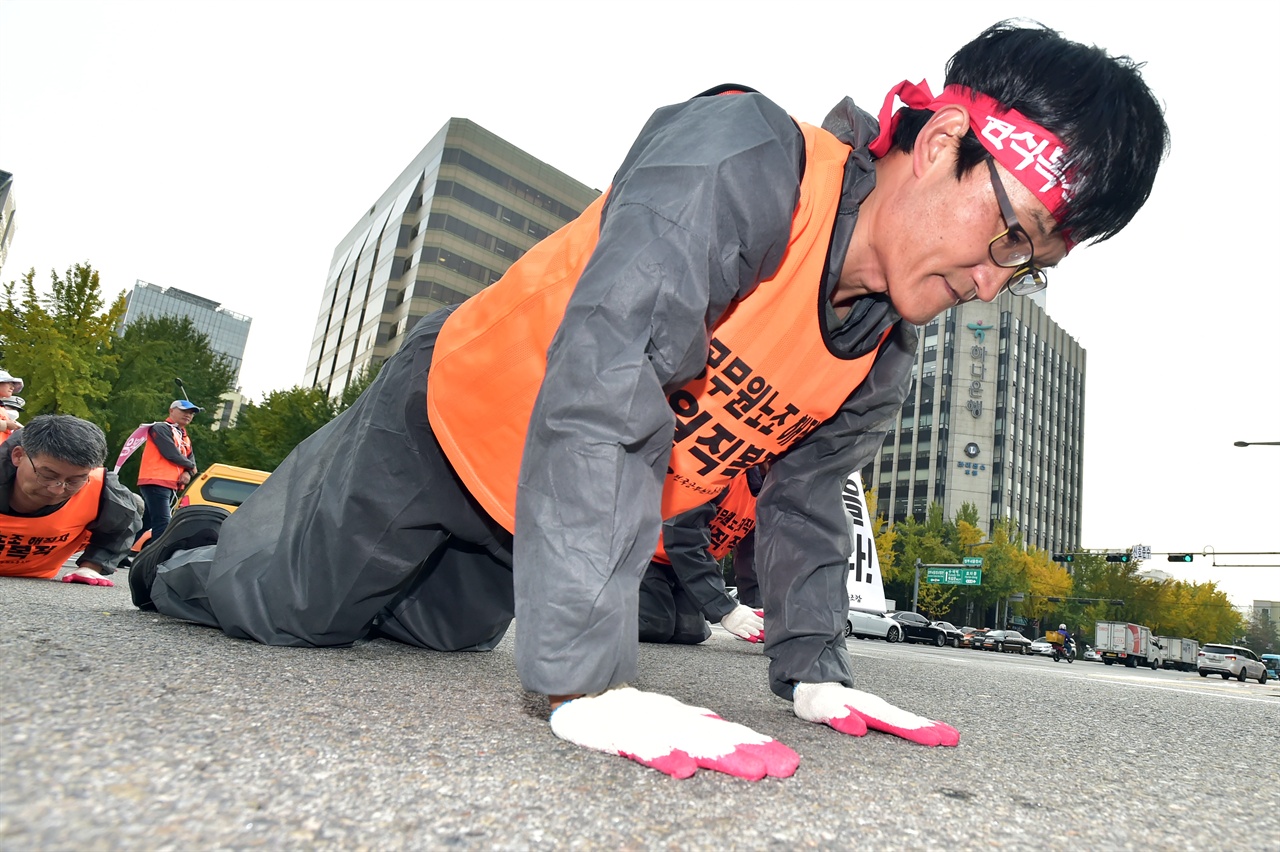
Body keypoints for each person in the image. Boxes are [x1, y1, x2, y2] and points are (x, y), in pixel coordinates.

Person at [130, 22, 1168, 780]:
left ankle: (297, 542)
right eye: (1007, 237)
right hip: (444, 428)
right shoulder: (747, 159)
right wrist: (583, 682)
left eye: (1026, 268)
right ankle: (187, 547)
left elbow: (803, 502)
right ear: (943, 142)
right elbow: (610, 376)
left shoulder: (882, 346)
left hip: (534, 518)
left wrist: (810, 668)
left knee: (428, 636)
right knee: (292, 612)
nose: (990, 283)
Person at [1, 414, 142, 585]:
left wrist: (91, 567)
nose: (57, 489)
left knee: (135, 503)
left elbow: (123, 526)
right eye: (47, 475)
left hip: (38, 575)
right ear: (18, 456)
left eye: (74, 481)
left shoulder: (102, 488)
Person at [639, 466, 764, 645]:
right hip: (646, 555)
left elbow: (752, 557)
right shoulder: (724, 473)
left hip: (684, 568)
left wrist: (756, 612)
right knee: (652, 625)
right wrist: (726, 609)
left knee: (690, 631)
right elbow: (682, 536)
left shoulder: (766, 496)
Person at [136, 399, 201, 543]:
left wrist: (188, 472)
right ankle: (155, 561)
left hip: (170, 484)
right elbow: (170, 453)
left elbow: (191, 460)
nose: (188, 415)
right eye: (184, 411)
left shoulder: (184, 436)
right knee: (163, 524)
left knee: (144, 523)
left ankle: (117, 554)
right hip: (156, 481)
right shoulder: (160, 428)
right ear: (171, 410)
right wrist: (190, 467)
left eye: (191, 413)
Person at [0, 369, 24, 442]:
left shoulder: (2, 408)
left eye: (13, 384)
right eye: (9, 383)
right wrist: (6, 424)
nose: (12, 388)